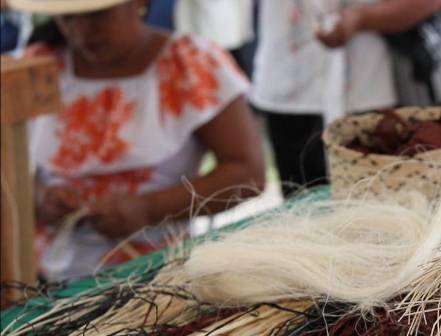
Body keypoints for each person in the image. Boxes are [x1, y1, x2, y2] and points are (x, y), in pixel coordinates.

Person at [9, 0, 266, 282]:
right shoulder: (35, 68)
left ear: (139, 3)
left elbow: (247, 172)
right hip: (44, 278)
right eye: (67, 19)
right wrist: (36, 197)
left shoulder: (190, 63)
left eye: (97, 15)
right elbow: (6, 167)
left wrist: (149, 208)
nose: (81, 31)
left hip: (158, 276)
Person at [251, 0, 441, 192]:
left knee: (375, 200)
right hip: (291, 90)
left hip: (369, 89)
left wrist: (361, 18)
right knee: (301, 201)